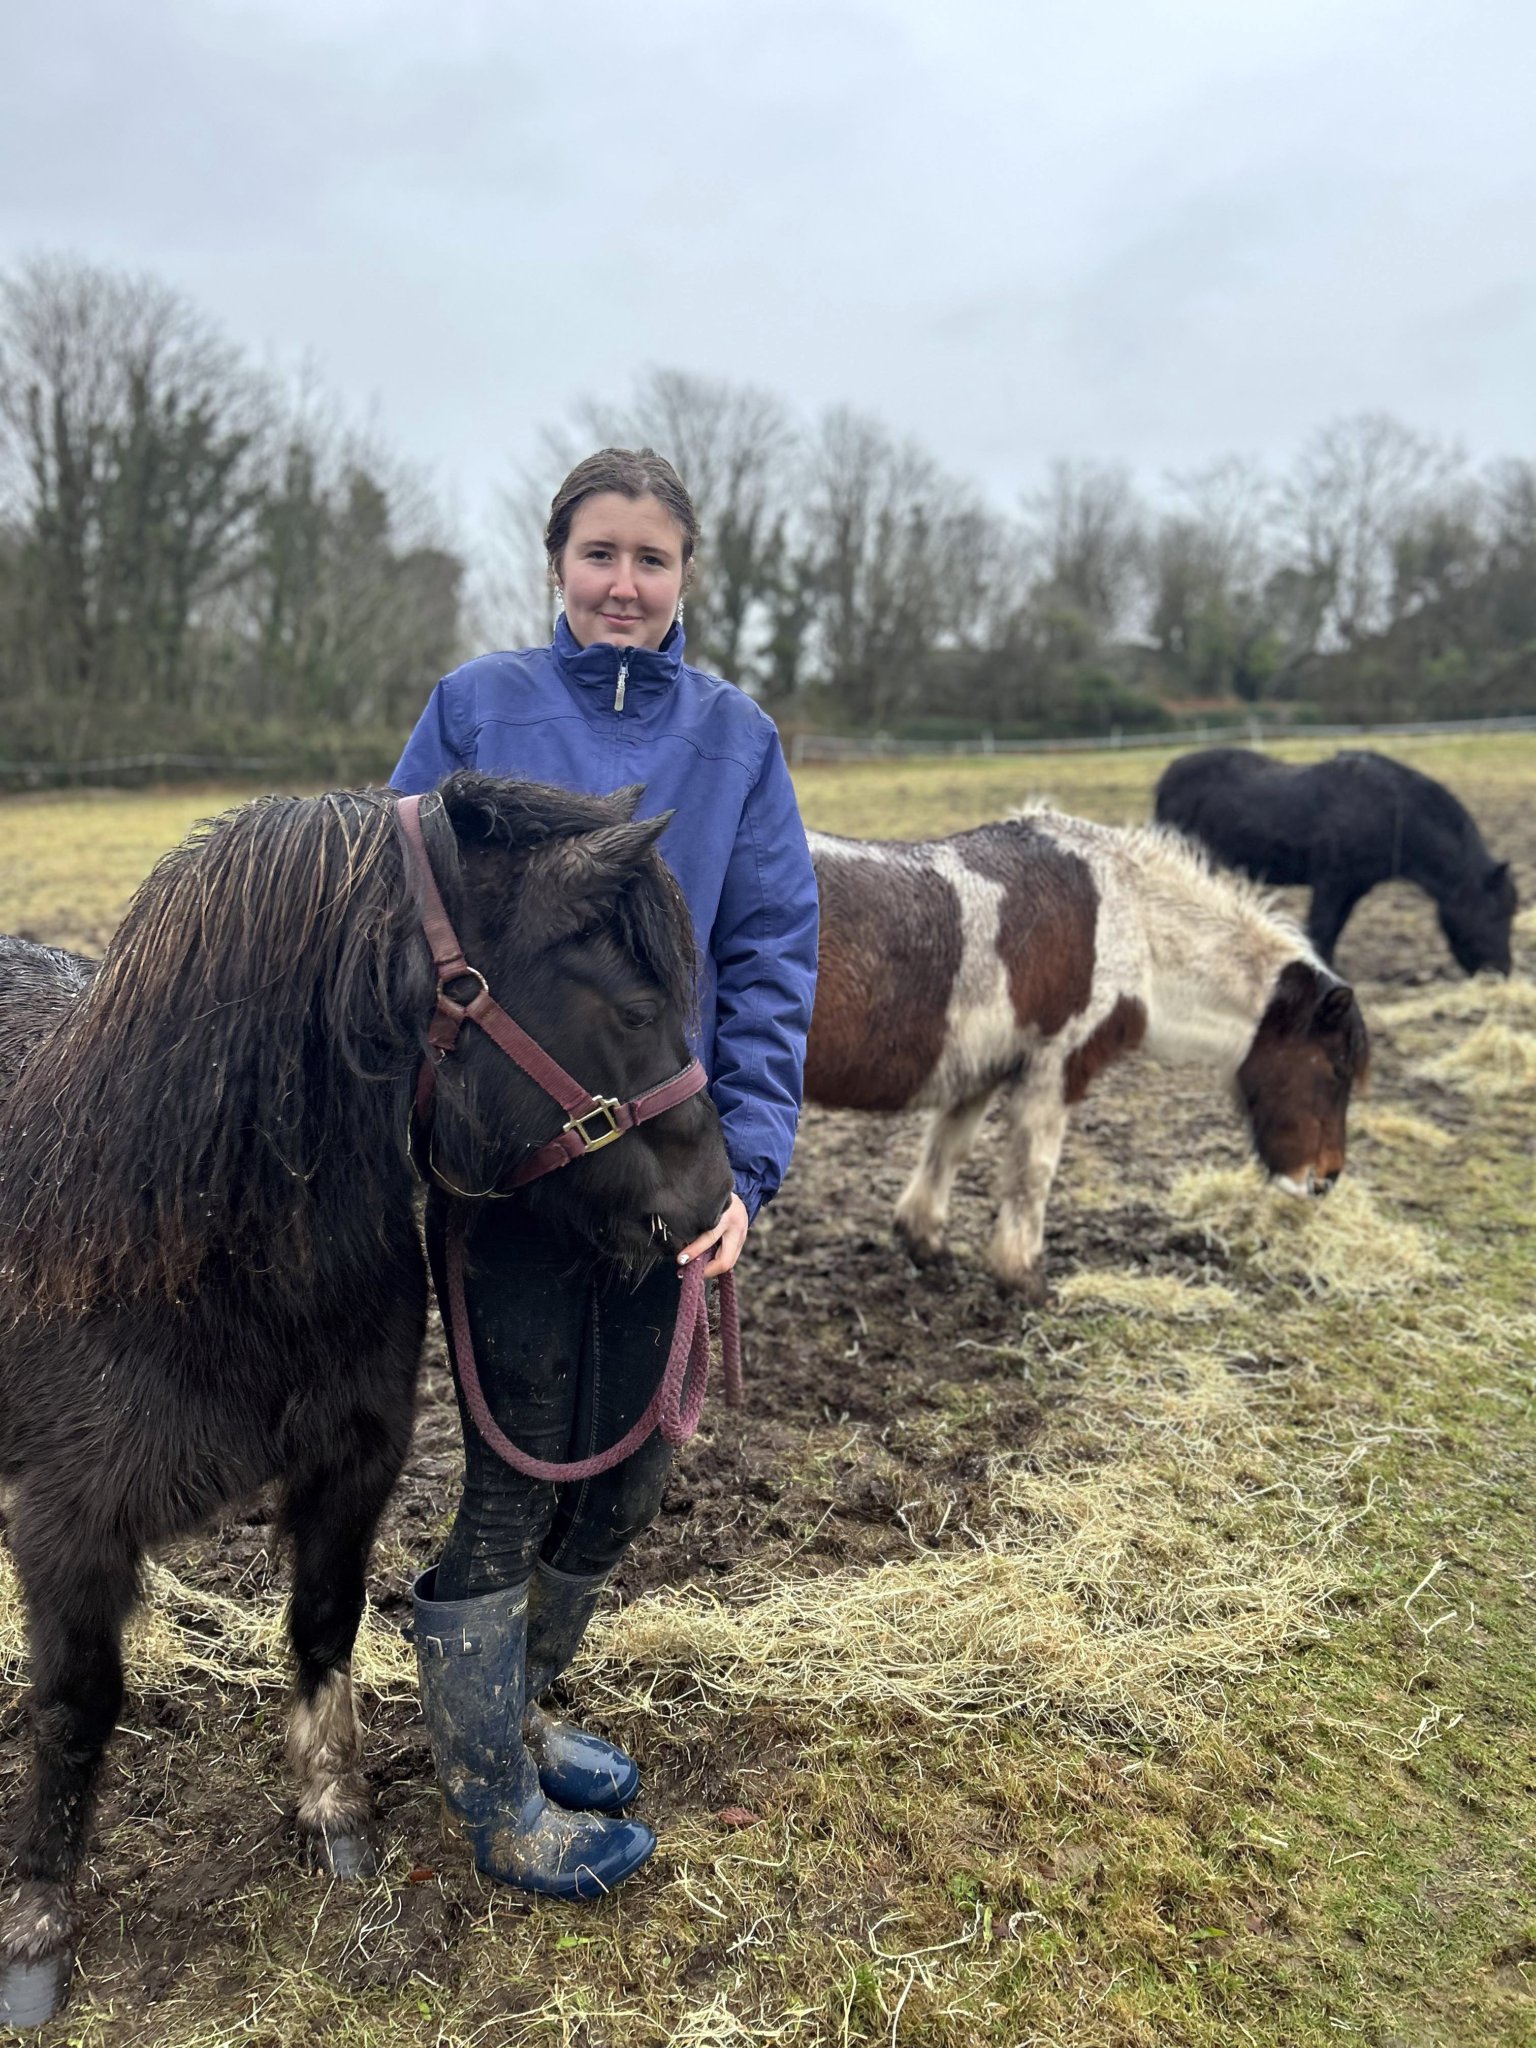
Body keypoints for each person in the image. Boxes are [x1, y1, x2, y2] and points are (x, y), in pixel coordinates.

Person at [391, 447, 819, 1899]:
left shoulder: (735, 738)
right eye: (599, 555)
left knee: (632, 1472)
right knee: (517, 1481)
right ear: (556, 564)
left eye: (652, 560)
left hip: (665, 1163)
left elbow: (769, 961)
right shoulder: (477, 709)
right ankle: (491, 1792)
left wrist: (750, 1167)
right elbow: (388, 921)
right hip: (514, 1176)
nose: (624, 584)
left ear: (687, 578)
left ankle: (524, 1699)